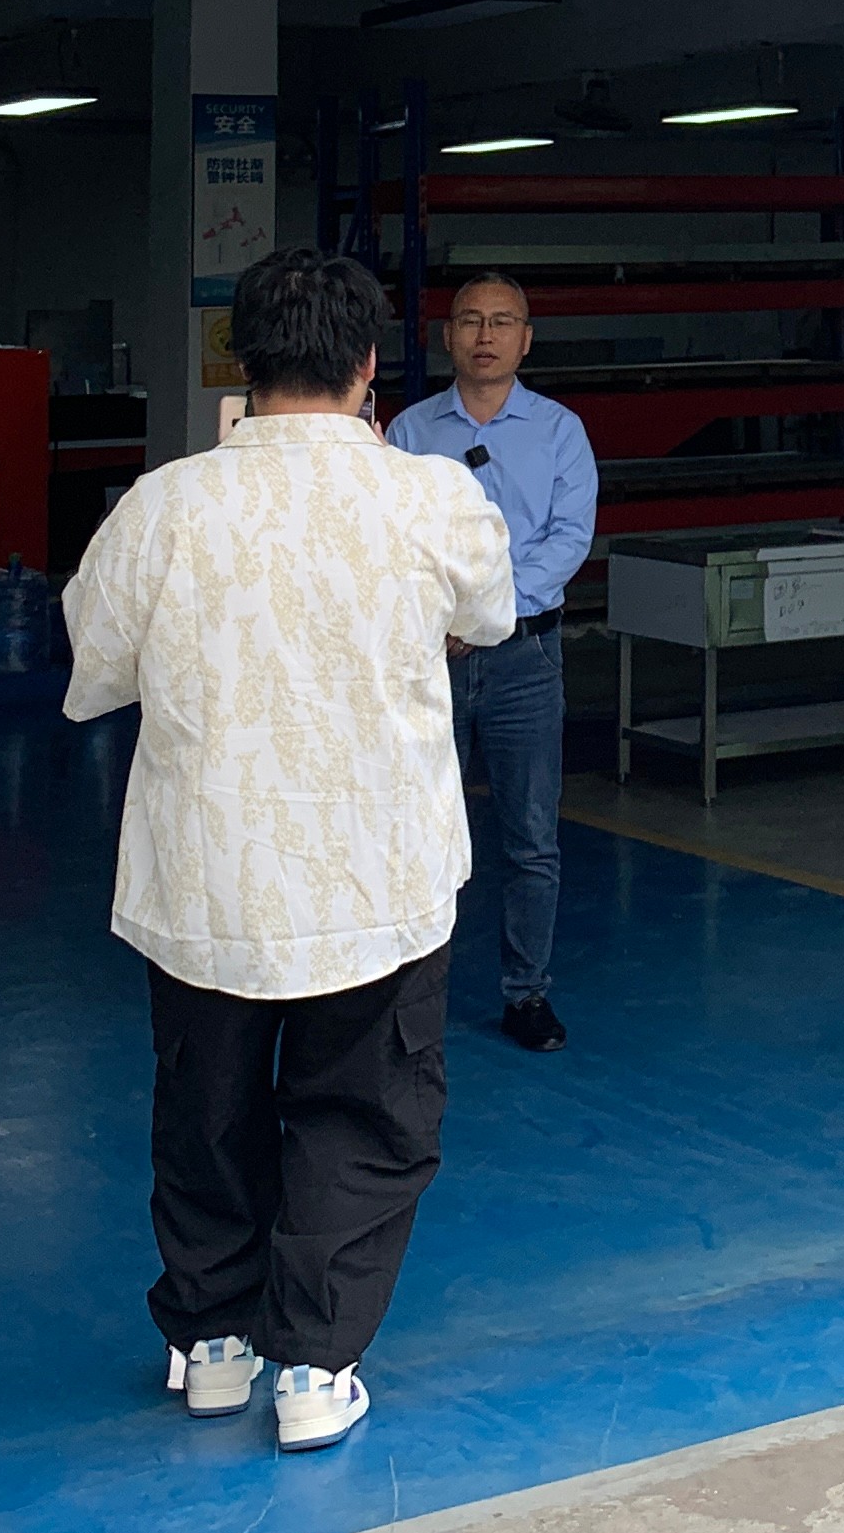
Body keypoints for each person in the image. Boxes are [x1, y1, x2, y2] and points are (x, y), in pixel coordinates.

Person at [61, 246, 513, 1457]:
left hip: (208, 876)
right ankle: (315, 1362)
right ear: (369, 367)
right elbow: (491, 613)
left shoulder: (163, 506)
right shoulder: (429, 499)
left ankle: (213, 1342)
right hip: (379, 870)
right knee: (363, 1114)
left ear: (241, 363)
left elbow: (94, 669)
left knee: (206, 1108)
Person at [385, 269, 598, 1054]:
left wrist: (485, 615)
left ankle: (526, 993)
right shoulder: (409, 434)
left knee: (530, 837)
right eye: (470, 320)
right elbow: (393, 541)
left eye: (502, 321)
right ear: (447, 337)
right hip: (430, 658)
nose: (485, 335)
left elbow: (568, 540)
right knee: (416, 829)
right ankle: (406, 1000)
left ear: (526, 339)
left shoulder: (560, 432)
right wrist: (449, 617)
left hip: (523, 659)